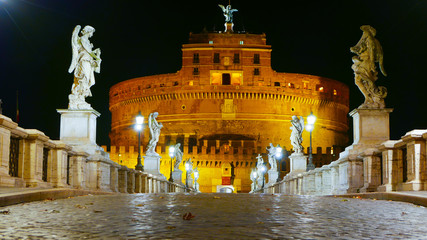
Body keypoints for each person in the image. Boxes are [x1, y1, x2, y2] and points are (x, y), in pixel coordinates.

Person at [350, 25, 387, 108]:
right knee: (359, 81)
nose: (364, 33)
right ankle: (368, 98)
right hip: (362, 62)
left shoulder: (370, 40)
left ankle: (374, 97)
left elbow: (371, 53)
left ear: (368, 32)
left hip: (366, 62)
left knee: (364, 80)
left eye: (365, 32)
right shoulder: (366, 41)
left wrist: (372, 63)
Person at [68, 25, 102, 110]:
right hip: (83, 62)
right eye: (91, 32)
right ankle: (78, 98)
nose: (92, 35)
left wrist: (96, 53)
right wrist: (96, 56)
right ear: (88, 31)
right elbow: (88, 52)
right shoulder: (82, 39)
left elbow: (89, 52)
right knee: (83, 79)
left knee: (87, 80)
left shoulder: (86, 41)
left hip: (88, 62)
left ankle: (81, 98)